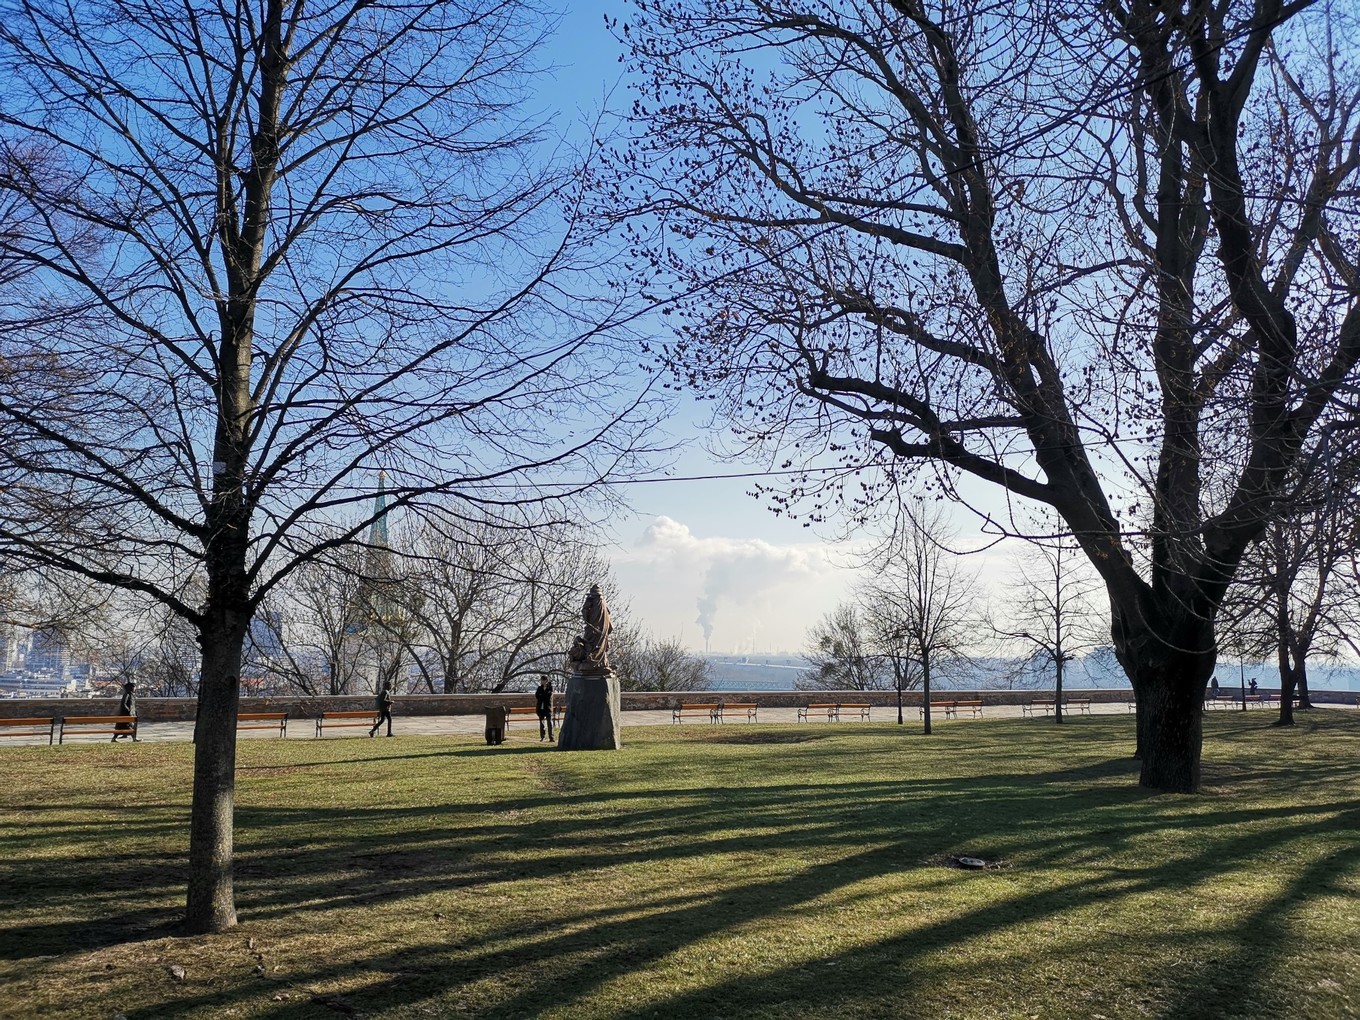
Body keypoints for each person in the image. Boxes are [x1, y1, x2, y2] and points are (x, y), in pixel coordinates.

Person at [535, 674, 555, 742]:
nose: (542, 682)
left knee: (549, 723)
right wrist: (542, 696)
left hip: (548, 708)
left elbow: (548, 696)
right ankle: (542, 737)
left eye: (543, 680)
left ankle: (551, 737)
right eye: (541, 680)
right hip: (541, 708)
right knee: (542, 723)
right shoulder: (539, 688)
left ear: (546, 681)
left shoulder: (550, 688)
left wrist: (542, 695)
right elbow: (537, 696)